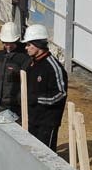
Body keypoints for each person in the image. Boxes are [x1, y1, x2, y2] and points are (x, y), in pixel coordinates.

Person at [22, 24, 68, 152]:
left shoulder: (53, 67)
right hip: (32, 117)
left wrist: (37, 99)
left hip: (47, 122)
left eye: (28, 45)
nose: (26, 48)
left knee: (45, 154)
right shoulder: (31, 63)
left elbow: (60, 94)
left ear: (38, 45)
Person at [0, 21, 30, 117]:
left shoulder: (24, 59)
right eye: (6, 43)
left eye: (11, 43)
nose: (8, 46)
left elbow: (29, 85)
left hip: (16, 108)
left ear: (17, 40)